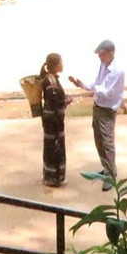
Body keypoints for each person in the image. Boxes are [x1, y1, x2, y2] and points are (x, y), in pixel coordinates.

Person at [70, 39, 125, 184]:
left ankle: (111, 175)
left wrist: (95, 89)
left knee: (107, 142)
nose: (100, 57)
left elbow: (109, 93)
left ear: (110, 53)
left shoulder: (118, 72)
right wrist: (83, 85)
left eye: (102, 54)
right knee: (98, 139)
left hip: (107, 110)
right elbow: (97, 83)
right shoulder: (103, 65)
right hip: (98, 107)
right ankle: (106, 168)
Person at [37, 53, 72, 187]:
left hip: (49, 119)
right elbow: (55, 102)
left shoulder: (48, 79)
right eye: (61, 62)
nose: (62, 65)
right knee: (55, 147)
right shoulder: (51, 81)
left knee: (50, 146)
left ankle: (49, 175)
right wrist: (67, 100)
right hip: (54, 120)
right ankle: (55, 177)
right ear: (55, 65)